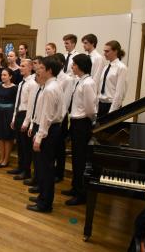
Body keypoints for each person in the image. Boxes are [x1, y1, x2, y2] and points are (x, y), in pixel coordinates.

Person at [26, 56, 64, 213]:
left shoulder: (50, 89)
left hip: (48, 130)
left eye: (41, 68)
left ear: (49, 71)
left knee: (45, 168)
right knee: (41, 167)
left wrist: (39, 137)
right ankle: (43, 196)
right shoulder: (51, 85)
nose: (37, 70)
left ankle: (45, 203)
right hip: (47, 128)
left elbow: (47, 117)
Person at [63, 54, 97, 206]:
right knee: (76, 158)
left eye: (74, 64)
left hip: (83, 123)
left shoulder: (88, 83)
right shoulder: (79, 81)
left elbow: (90, 108)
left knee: (80, 160)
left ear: (81, 65)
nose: (72, 67)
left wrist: (87, 121)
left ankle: (81, 193)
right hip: (76, 123)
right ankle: (75, 187)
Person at [8, 59, 38, 180]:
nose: (20, 68)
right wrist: (14, 117)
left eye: (23, 66)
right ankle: (20, 167)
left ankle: (26, 171)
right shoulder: (21, 83)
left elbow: (31, 105)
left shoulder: (32, 83)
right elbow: (17, 103)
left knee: (26, 146)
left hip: (27, 115)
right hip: (19, 114)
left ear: (30, 68)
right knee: (20, 144)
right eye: (20, 66)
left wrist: (27, 122)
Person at [54, 53, 74, 183]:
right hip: (51, 115)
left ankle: (59, 173)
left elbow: (66, 101)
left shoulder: (67, 79)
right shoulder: (53, 77)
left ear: (61, 63)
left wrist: (60, 118)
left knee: (60, 147)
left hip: (61, 116)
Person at [0, 68, 17, 168]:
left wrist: (14, 117)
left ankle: (6, 159)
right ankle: (1, 157)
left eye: (5, 75)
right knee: (0, 137)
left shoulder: (14, 88)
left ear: (10, 76)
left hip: (9, 113)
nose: (2, 77)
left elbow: (16, 103)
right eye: (2, 75)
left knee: (7, 138)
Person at [97, 40, 127, 117]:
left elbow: (119, 92)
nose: (104, 54)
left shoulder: (121, 67)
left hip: (111, 106)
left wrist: (112, 111)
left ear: (115, 51)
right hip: (101, 105)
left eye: (107, 51)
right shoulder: (106, 67)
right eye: (104, 51)